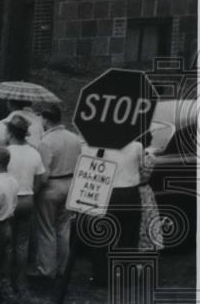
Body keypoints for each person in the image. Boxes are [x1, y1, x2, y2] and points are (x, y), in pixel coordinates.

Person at [86, 139, 148, 287]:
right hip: (130, 192)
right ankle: (128, 274)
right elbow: (143, 168)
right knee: (129, 236)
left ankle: (101, 276)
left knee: (102, 236)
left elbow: (93, 168)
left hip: (109, 192)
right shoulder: (137, 146)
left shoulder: (100, 146)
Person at [34, 104, 81, 278]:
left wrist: (36, 190)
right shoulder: (74, 138)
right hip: (70, 183)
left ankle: (47, 269)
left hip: (52, 186)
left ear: (45, 120)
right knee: (64, 227)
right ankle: (63, 267)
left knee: (46, 229)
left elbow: (44, 173)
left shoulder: (46, 142)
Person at [4, 116, 46, 292]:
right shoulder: (34, 152)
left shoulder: (4, 153)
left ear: (10, 132)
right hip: (27, 198)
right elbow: (41, 178)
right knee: (22, 244)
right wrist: (32, 191)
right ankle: (21, 284)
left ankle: (5, 281)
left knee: (6, 243)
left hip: (9, 200)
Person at [0, 147, 20, 301]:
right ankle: (5, 293)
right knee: (5, 260)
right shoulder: (13, 180)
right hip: (8, 224)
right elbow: (14, 203)